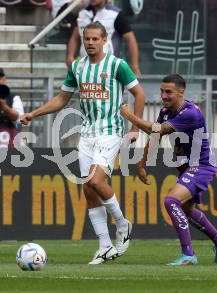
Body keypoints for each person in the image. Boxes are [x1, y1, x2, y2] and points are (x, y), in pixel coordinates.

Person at [21, 21, 145, 264]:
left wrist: (135, 128)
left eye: (94, 39)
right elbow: (62, 99)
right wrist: (34, 114)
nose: (90, 43)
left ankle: (122, 224)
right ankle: (104, 245)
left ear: (104, 40)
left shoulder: (117, 65)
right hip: (87, 134)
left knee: (95, 180)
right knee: (88, 189)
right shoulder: (78, 67)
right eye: (86, 39)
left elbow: (139, 94)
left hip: (110, 131)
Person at [120, 74, 217, 266]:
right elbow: (155, 137)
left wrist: (127, 114)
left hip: (201, 166)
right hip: (186, 167)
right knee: (187, 209)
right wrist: (142, 164)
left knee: (171, 201)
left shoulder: (190, 113)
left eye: (168, 92)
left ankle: (188, 254)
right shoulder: (166, 111)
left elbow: (156, 130)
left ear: (181, 92)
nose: (164, 96)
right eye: (162, 91)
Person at [66, 0, 140, 74]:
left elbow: (131, 40)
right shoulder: (82, 14)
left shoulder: (116, 14)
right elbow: (75, 38)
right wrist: (70, 56)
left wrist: (134, 66)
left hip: (109, 69)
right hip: (85, 68)